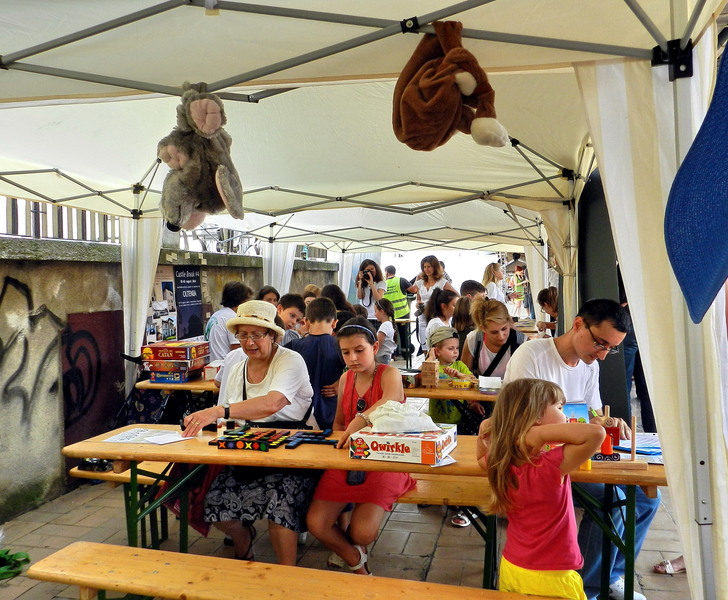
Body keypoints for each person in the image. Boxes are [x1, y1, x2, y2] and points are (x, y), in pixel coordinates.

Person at [503, 298, 659, 600]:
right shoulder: (532, 355)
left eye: (611, 348)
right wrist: (582, 429)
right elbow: (521, 426)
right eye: (600, 343)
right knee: (613, 500)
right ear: (578, 325)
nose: (602, 354)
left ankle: (609, 575)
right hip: (539, 464)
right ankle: (590, 587)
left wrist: (607, 420)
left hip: (574, 457)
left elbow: (591, 413)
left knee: (648, 498)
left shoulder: (589, 366)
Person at [181, 300, 317, 566]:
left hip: (295, 451)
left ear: (273, 335)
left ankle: (287, 576)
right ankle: (244, 543)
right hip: (253, 450)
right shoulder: (237, 369)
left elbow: (272, 403)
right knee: (214, 503)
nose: (249, 342)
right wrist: (208, 427)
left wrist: (217, 411)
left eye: (256, 334)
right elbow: (231, 419)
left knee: (280, 508)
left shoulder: (290, 360)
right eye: (242, 335)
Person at [477, 379, 605, 600]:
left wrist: (484, 430)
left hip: (512, 567)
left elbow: (480, 457)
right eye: (559, 407)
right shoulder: (550, 464)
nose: (565, 414)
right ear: (536, 416)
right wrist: (541, 435)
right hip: (551, 577)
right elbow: (596, 434)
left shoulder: (500, 462)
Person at [306, 317, 416, 575]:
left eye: (359, 350)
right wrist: (336, 446)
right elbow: (339, 423)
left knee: (363, 533)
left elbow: (391, 399)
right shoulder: (346, 378)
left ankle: (354, 549)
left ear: (375, 348)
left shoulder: (389, 374)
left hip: (386, 460)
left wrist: (361, 419)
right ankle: (354, 557)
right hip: (349, 459)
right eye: (346, 352)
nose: (353, 358)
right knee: (317, 523)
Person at [285, 297, 345, 430]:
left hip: (299, 413)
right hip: (333, 412)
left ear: (306, 321)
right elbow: (359, 369)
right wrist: (342, 382)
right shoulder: (343, 346)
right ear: (335, 323)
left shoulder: (293, 346)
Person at [414, 255, 456, 353]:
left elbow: (455, 296)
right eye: (424, 267)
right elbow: (418, 299)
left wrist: (443, 304)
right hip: (423, 317)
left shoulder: (442, 282)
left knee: (438, 346)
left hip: (436, 316)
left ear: (435, 267)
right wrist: (418, 304)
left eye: (429, 266)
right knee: (425, 349)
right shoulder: (420, 283)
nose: (426, 269)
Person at [204, 282, 253, 361]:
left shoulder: (216, 315)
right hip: (226, 365)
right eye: (248, 300)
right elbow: (237, 351)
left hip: (213, 364)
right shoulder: (233, 318)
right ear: (242, 300)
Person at [383, 265, 418, 357]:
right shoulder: (401, 280)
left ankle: (393, 354)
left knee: (391, 335)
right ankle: (406, 354)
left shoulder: (383, 284)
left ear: (386, 273)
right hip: (403, 313)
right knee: (404, 334)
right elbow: (414, 290)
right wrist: (418, 280)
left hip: (389, 315)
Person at [355, 259, 386, 330]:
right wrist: (360, 282)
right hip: (363, 315)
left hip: (375, 316)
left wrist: (371, 284)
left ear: (376, 269)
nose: (370, 272)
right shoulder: (362, 283)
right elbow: (360, 296)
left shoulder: (381, 283)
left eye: (372, 269)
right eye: (367, 270)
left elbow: (379, 299)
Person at [373, 298, 397, 365]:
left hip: (381, 358)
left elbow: (378, 344)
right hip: (384, 357)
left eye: (376, 311)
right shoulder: (388, 324)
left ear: (382, 311)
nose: (375, 314)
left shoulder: (385, 325)